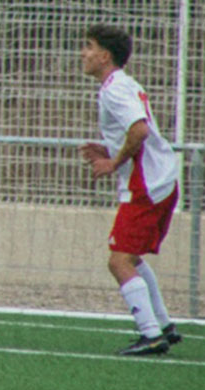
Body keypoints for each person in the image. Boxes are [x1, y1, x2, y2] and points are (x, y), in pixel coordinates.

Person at [78, 24, 182, 356]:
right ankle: (163, 325)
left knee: (119, 261)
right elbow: (136, 133)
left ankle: (151, 334)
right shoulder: (120, 85)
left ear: (105, 56)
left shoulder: (114, 89)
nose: (84, 53)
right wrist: (112, 152)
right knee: (131, 257)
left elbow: (138, 131)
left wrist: (113, 162)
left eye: (89, 46)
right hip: (159, 180)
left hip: (146, 185)